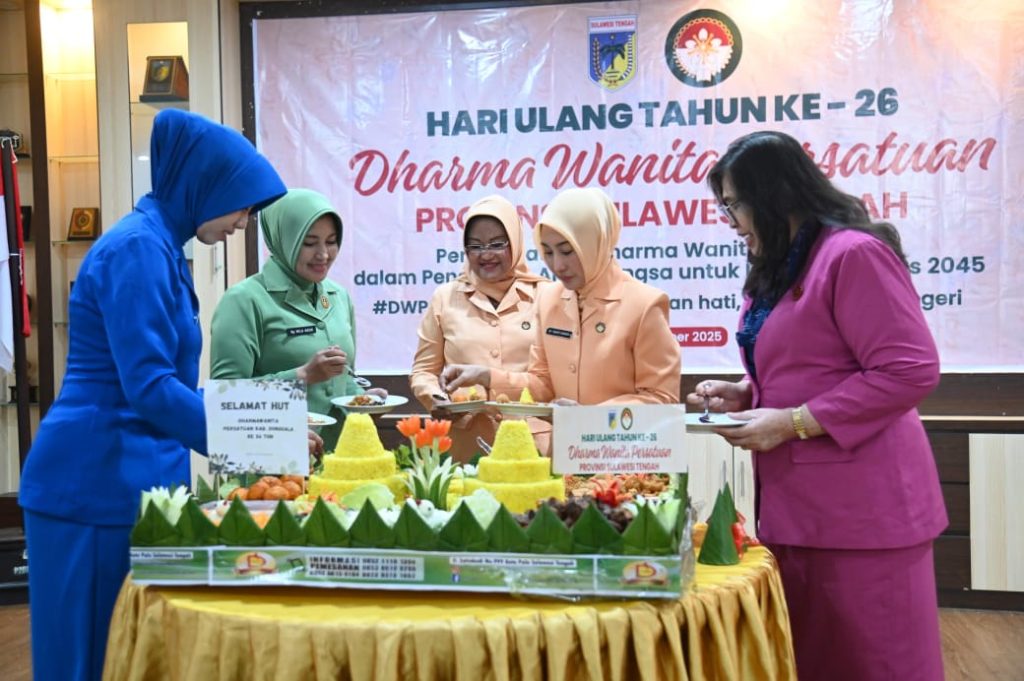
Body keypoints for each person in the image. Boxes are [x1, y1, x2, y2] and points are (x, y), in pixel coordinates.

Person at [18, 109, 287, 681]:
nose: (244, 222)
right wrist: (260, 442)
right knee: (91, 660)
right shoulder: (137, 249)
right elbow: (150, 387)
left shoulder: (160, 245)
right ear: (206, 184)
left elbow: (170, 386)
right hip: (93, 482)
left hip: (127, 474)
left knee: (128, 658)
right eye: (242, 206)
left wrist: (270, 423)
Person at [687, 130, 947, 681]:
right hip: (798, 509)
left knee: (874, 664)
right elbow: (810, 363)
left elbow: (909, 369)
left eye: (734, 205)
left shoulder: (852, 253)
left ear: (772, 194)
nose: (730, 221)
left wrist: (793, 423)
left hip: (865, 514)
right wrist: (747, 391)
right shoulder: (785, 262)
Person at [441, 187, 680, 428]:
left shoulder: (644, 304)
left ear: (595, 242)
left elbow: (661, 399)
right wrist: (486, 376)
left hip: (623, 449)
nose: (557, 265)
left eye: (567, 251)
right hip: (564, 449)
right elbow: (543, 384)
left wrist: (590, 417)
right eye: (548, 252)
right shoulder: (549, 299)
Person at [210, 188, 384, 451]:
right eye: (309, 243)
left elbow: (342, 376)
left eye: (331, 241)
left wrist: (362, 399)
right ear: (284, 239)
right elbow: (225, 398)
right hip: (274, 458)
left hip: (339, 456)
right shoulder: (244, 300)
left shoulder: (338, 297)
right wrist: (302, 375)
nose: (323, 254)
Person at [410, 195, 548, 461]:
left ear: (516, 242)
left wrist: (489, 377)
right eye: (475, 246)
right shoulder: (445, 298)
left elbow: (552, 380)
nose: (486, 254)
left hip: (532, 445)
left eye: (497, 244)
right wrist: (436, 397)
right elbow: (424, 371)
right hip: (467, 446)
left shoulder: (546, 296)